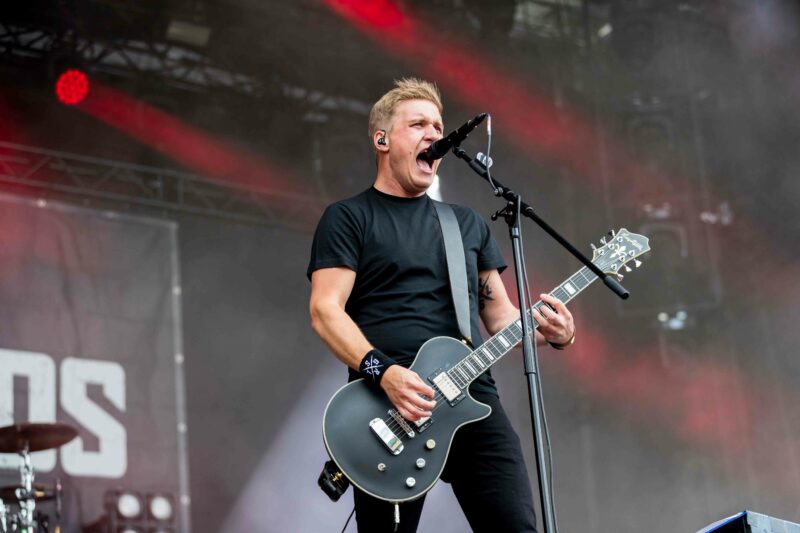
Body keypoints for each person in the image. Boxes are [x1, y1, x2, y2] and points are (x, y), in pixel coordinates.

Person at [307, 78, 575, 533]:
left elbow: (502, 319)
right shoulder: (349, 218)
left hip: (473, 398)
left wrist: (555, 334)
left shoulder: (464, 224)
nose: (434, 134)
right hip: (387, 406)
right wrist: (386, 374)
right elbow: (325, 311)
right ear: (382, 139)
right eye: (417, 125)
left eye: (437, 126)